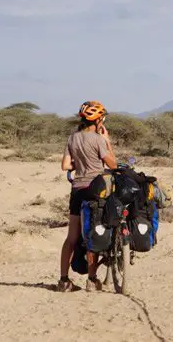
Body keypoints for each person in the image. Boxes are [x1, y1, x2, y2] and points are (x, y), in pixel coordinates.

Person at [56, 100, 117, 292]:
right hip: (96, 190)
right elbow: (113, 164)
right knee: (93, 233)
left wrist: (80, 164)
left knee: (71, 237)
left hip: (77, 189)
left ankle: (64, 280)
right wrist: (107, 141)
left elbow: (65, 166)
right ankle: (92, 280)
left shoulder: (72, 139)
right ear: (98, 120)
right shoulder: (98, 140)